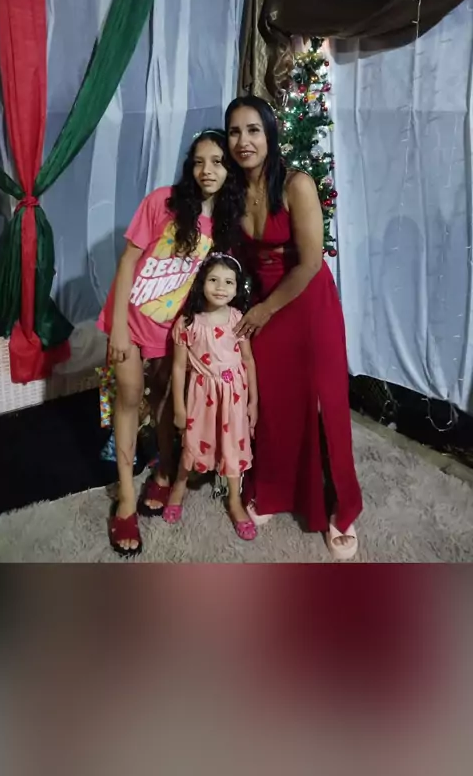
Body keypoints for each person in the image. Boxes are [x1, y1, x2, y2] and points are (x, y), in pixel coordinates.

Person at [225, 95, 362, 560]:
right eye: (235, 132)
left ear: (270, 133)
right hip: (265, 301)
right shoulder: (232, 191)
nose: (244, 141)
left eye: (253, 130)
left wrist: (263, 311)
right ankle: (274, 488)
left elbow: (309, 263)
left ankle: (342, 508)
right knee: (275, 399)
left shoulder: (296, 184)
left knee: (326, 400)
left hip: (307, 300)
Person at [97, 129, 243, 557]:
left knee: (161, 399)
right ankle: (126, 497)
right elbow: (128, 262)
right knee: (128, 395)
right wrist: (118, 328)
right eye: (199, 161)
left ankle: (162, 473)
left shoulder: (224, 226)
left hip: (169, 330)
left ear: (230, 169)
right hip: (128, 319)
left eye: (217, 161)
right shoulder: (162, 202)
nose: (207, 170)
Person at [164, 253, 258, 541]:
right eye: (214, 280)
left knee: (233, 447)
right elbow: (178, 367)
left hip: (234, 397)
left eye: (229, 282)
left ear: (237, 287)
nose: (220, 287)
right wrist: (179, 408)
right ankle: (179, 487)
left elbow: (248, 360)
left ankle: (234, 501)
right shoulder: (188, 323)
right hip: (202, 395)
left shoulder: (238, 319)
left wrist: (254, 401)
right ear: (201, 282)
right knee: (193, 444)